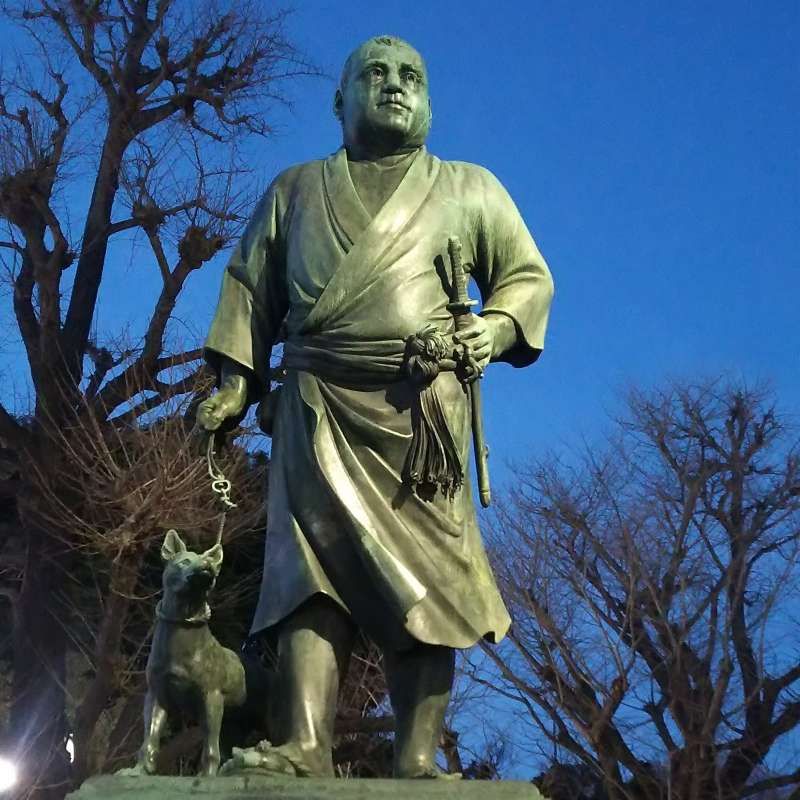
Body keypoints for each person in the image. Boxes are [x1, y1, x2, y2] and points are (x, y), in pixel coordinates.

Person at [197, 35, 554, 779]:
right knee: (307, 575)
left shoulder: (469, 187)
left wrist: (494, 327)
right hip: (314, 402)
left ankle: (417, 754)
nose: (394, 87)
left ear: (429, 100)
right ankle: (302, 744)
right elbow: (249, 288)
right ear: (340, 100)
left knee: (432, 576)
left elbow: (527, 278)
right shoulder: (295, 189)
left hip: (421, 410)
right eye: (375, 74)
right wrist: (237, 383)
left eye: (412, 77)